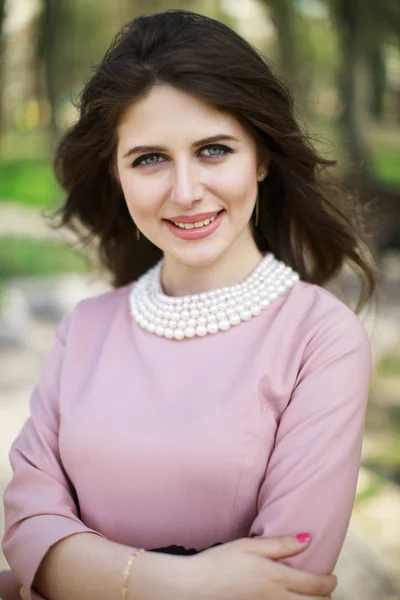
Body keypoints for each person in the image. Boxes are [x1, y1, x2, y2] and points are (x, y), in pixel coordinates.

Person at [0, 9, 377, 600]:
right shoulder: (86, 329)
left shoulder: (320, 337)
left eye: (213, 150)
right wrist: (184, 580)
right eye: (149, 158)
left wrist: (70, 572)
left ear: (261, 156)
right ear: (117, 174)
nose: (184, 191)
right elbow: (26, 529)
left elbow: (288, 581)